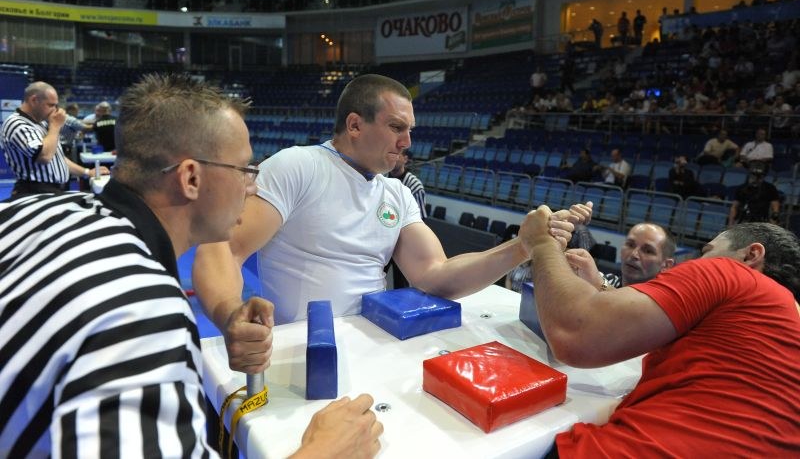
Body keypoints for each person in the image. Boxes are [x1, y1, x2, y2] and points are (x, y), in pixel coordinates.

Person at [0, 74, 382, 458]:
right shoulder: (142, 312)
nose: (253, 187)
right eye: (245, 170)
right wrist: (324, 452)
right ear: (191, 178)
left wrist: (229, 314)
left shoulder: (32, 211)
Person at [192, 74, 584, 337]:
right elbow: (225, 247)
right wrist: (231, 314)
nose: (407, 142)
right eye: (397, 127)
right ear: (355, 125)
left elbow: (436, 275)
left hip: (376, 341)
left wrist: (521, 247)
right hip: (302, 347)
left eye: (410, 130)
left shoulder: (396, 194)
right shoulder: (298, 165)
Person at [519, 207, 800, 456]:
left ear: (751, 254)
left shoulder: (733, 274)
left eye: (708, 252)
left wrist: (541, 243)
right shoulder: (779, 318)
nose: (703, 261)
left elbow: (576, 335)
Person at [0, 81, 109, 199]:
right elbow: (44, 156)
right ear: (34, 100)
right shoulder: (16, 124)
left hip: (51, 189)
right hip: (35, 192)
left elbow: (58, 158)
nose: (54, 110)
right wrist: (55, 126)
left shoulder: (40, 122)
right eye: (51, 105)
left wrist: (87, 172)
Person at [387, 148, 426, 289]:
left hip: (402, 243)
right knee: (375, 277)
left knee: (401, 283)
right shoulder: (382, 178)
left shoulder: (415, 185)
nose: (396, 157)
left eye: (399, 154)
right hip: (384, 239)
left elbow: (420, 220)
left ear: (405, 159)